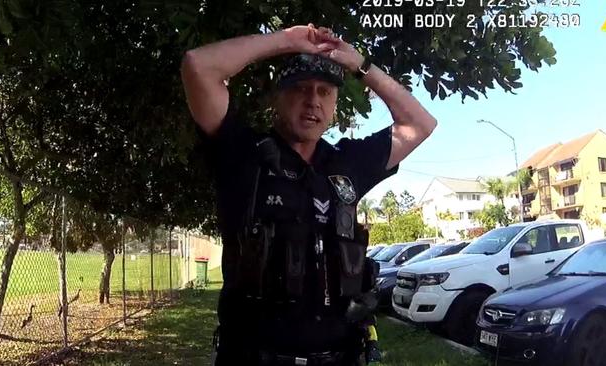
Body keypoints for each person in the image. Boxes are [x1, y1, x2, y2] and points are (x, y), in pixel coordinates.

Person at [181, 24, 437, 366]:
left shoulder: (347, 163)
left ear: (334, 104)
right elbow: (198, 66)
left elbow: (419, 124)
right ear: (277, 98)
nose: (312, 101)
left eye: (324, 92)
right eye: (300, 89)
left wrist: (360, 65)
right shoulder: (243, 153)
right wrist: (285, 41)